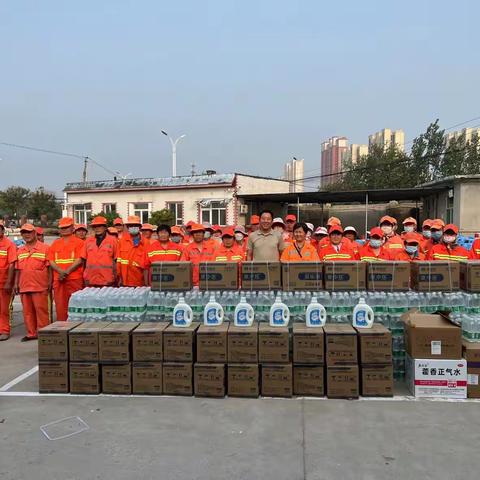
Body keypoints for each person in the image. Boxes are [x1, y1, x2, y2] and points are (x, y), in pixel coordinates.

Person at [14, 224, 51, 341]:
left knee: (41, 311)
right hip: (24, 286)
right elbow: (17, 269)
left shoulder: (45, 248)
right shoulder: (20, 251)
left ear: (35, 233)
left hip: (40, 286)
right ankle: (31, 333)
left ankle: (43, 333)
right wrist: (16, 284)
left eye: (29, 232)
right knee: (28, 312)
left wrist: (50, 283)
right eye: (24, 233)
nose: (26, 235)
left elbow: (50, 268)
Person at [47, 217, 85, 321]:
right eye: (62, 228)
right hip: (59, 280)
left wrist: (66, 272)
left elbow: (80, 259)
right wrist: (61, 272)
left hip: (74, 279)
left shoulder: (79, 243)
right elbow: (51, 260)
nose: (64, 229)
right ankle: (62, 328)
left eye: (66, 227)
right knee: (60, 306)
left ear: (73, 228)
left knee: (76, 305)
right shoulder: (55, 243)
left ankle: (76, 328)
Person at [83, 216, 118, 287]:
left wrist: (116, 278)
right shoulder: (88, 241)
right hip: (90, 280)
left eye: (100, 226)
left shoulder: (113, 240)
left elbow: (117, 261)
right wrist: (85, 277)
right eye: (95, 227)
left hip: (107, 280)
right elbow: (83, 260)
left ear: (105, 228)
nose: (97, 228)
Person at [117, 216, 148, 287]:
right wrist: (119, 278)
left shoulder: (145, 242)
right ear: (127, 227)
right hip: (124, 281)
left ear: (140, 227)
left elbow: (147, 265)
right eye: (131, 226)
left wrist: (146, 282)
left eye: (135, 225)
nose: (133, 227)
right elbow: (119, 261)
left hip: (139, 281)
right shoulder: (122, 241)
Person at [0, 221, 17, 341]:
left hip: (3, 282)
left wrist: (9, 282)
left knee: (4, 308)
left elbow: (12, 265)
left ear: (2, 230)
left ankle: (4, 330)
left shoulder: (9, 244)